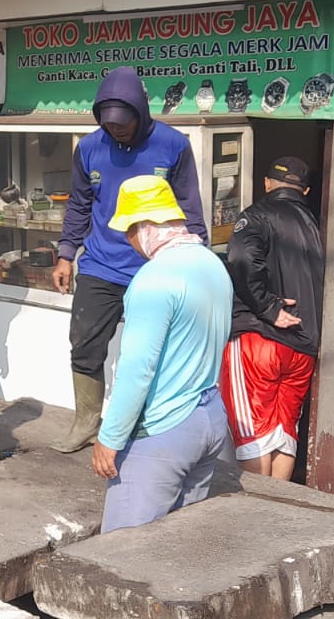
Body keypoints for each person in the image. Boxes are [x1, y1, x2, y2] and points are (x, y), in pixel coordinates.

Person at [50, 66, 207, 453]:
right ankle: (86, 423)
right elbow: (79, 205)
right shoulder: (89, 148)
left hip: (155, 267)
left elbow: (189, 207)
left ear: (140, 111)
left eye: (123, 122)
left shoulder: (173, 145)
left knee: (149, 352)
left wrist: (196, 259)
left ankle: (147, 431)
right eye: (108, 123)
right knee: (84, 343)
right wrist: (66, 254)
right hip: (100, 265)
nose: (116, 129)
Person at [92, 176, 231, 533]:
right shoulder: (212, 263)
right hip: (210, 416)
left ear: (143, 227)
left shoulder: (153, 280)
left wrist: (110, 438)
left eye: (128, 230)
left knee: (124, 550)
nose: (128, 240)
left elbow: (136, 369)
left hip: (164, 428)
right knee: (179, 544)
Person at [221, 157, 324, 482]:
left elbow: (241, 259)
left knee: (253, 433)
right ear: (305, 191)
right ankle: (277, 507)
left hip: (259, 338)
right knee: (284, 434)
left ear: (266, 184)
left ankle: (254, 509)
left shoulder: (256, 215)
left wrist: (268, 308)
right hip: (303, 345)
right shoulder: (317, 226)